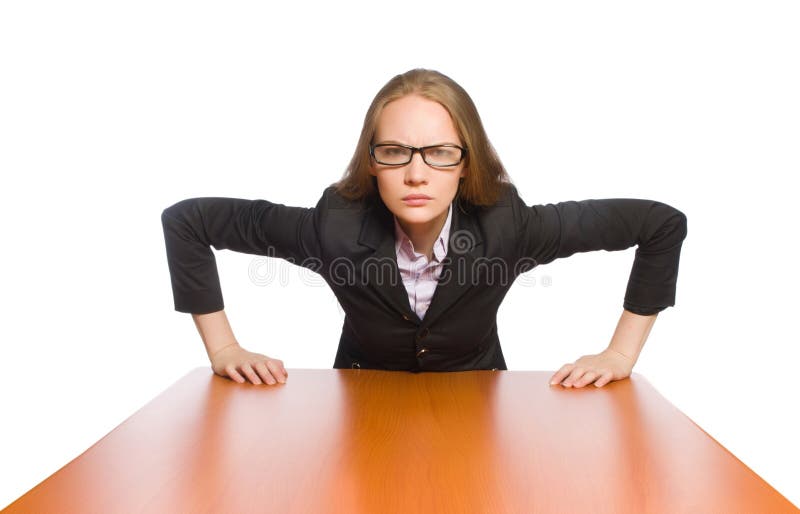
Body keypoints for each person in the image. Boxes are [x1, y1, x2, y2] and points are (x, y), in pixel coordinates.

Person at [161, 68, 687, 389]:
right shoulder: (335, 227)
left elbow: (660, 225)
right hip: (363, 403)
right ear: (371, 163)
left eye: (439, 153)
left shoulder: (508, 226)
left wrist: (620, 355)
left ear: (466, 163)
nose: (416, 173)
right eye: (395, 152)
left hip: (477, 403)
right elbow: (188, 221)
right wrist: (224, 349)